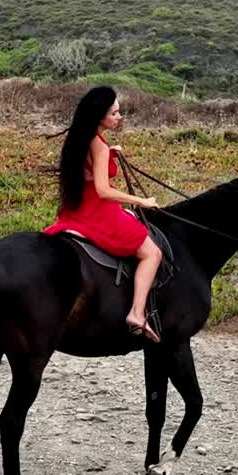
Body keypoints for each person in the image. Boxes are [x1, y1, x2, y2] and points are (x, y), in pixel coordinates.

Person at [44, 86, 163, 343]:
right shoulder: (97, 145)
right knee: (152, 253)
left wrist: (110, 152)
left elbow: (88, 172)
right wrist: (141, 200)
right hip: (98, 211)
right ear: (100, 116)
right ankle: (136, 313)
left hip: (77, 209)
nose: (119, 117)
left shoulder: (82, 136)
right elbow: (104, 191)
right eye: (115, 113)